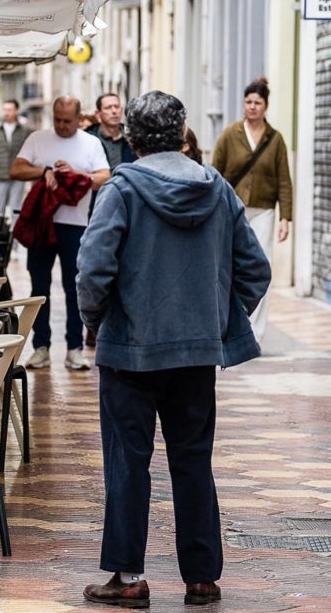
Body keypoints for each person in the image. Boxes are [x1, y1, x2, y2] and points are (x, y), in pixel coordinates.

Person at [77, 90, 271, 609]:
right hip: (195, 356)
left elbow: (93, 271)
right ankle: (202, 577)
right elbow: (257, 269)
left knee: (127, 464)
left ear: (134, 138)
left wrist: (96, 323)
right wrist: (216, 319)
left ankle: (129, 577)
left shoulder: (121, 190)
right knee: (192, 462)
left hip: (129, 354)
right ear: (182, 135)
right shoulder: (219, 190)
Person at [10, 96, 110, 371]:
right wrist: (43, 171)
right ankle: (41, 346)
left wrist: (76, 175)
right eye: (57, 119)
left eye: (67, 121)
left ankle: (74, 348)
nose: (62, 125)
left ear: (79, 119)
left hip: (76, 224)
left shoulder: (91, 143)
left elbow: (105, 176)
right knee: (39, 287)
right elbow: (15, 169)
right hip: (43, 223)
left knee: (74, 288)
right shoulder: (37, 138)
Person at [210, 78, 293, 342]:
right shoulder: (230, 134)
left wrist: (285, 218)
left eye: (257, 103)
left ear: (266, 106)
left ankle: (254, 331)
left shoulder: (275, 139)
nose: (252, 107)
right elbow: (215, 173)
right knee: (230, 264)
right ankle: (230, 323)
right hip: (232, 209)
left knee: (261, 266)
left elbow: (284, 180)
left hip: (264, 210)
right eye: (248, 102)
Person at [0, 99, 30, 218]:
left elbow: (31, 152)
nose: (7, 112)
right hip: (1, 175)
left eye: (10, 109)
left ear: (16, 111)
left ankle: (14, 234)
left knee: (16, 208)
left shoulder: (24, 131)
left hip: (18, 175)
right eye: (5, 109)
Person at [86, 93, 137, 169]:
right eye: (108, 108)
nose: (114, 111)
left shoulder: (133, 138)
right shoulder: (90, 139)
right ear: (98, 114)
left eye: (117, 107)